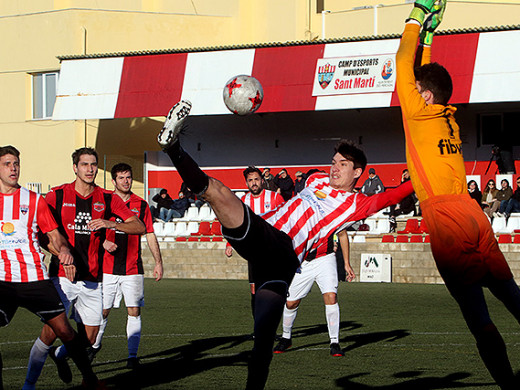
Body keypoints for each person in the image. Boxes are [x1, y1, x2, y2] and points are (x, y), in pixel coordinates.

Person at [156, 99, 413, 390]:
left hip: (284, 262)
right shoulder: (315, 179)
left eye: (343, 164)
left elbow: (393, 196)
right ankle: (173, 147)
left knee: (264, 340)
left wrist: (425, 169)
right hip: (272, 238)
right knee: (216, 191)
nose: (335, 168)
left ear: (357, 173)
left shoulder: (358, 204)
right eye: (334, 162)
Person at [396, 3, 520, 388]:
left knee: (477, 315)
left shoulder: (419, 113)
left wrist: (417, 15)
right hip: (473, 214)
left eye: (417, 89)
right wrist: (430, 40)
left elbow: (402, 59)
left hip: (447, 218)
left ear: (426, 96)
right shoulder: (447, 115)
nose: (410, 89)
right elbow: (422, 73)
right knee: (511, 295)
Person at [24, 147, 145, 387]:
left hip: (93, 279)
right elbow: (40, 235)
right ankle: (29, 384)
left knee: (89, 339)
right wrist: (61, 253)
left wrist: (111, 223)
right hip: (62, 277)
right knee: (50, 333)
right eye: (85, 165)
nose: (90, 169)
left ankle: (60, 356)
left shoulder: (108, 198)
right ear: (75, 168)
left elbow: (139, 226)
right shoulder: (56, 196)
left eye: (93, 165)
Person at [0, 145, 102, 390]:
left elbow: (55, 236)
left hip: (34, 278)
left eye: (16, 163)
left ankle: (90, 378)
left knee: (65, 331)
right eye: (7, 164)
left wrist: (64, 251)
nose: (13, 168)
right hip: (2, 279)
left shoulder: (34, 200)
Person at [91, 163, 163, 369]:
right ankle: (94, 347)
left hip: (133, 268)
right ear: (113, 181)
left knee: (134, 311)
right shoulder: (102, 202)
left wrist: (158, 262)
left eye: (129, 177)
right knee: (102, 312)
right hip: (106, 268)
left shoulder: (140, 204)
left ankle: (132, 356)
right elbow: (91, 232)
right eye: (121, 178)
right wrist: (103, 242)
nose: (126, 181)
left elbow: (149, 233)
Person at [273, 229, 355, 357]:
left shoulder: (331, 212)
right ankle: (286, 337)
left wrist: (346, 263)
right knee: (291, 303)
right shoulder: (300, 212)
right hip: (303, 261)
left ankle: (334, 342)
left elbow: (342, 234)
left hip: (326, 258)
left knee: (331, 296)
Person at [225, 166, 285, 326]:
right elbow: (235, 223)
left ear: (262, 180)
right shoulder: (243, 201)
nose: (254, 183)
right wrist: (230, 242)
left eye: (256, 179)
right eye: (250, 180)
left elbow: (287, 219)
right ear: (246, 183)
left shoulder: (275, 198)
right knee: (255, 291)